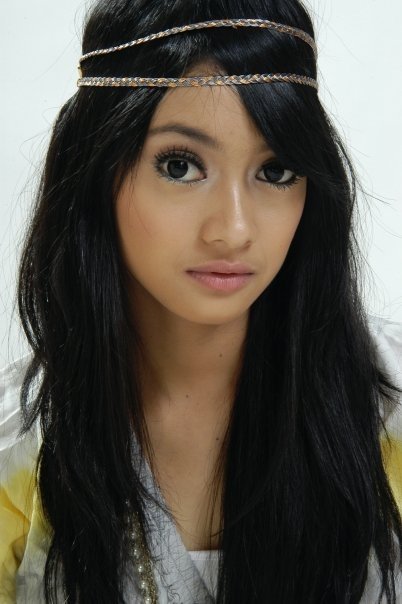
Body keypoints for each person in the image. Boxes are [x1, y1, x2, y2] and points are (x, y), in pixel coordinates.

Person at [1, 0, 402, 602]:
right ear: (96, 170)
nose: (233, 230)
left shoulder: (391, 412)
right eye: (180, 165)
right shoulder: (18, 450)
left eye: (276, 171)